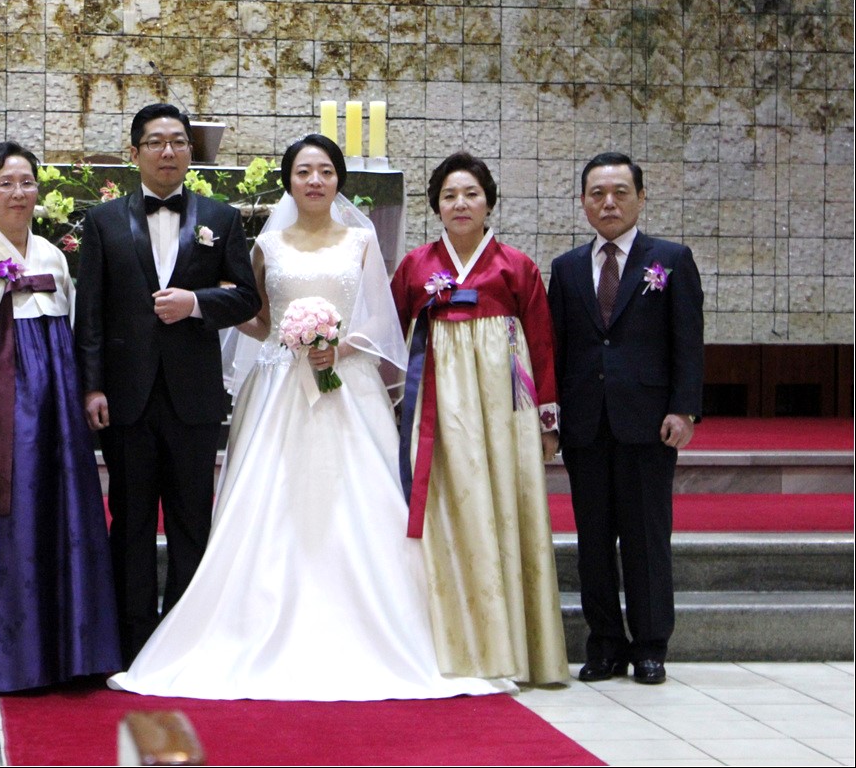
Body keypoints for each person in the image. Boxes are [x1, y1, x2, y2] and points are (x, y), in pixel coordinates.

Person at [108, 134, 513, 701]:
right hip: (278, 385)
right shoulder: (267, 246)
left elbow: (381, 322)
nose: (315, 181)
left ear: (339, 179)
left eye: (325, 170)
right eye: (303, 172)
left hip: (347, 386)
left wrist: (337, 347)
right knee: (267, 506)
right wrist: (256, 324)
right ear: (289, 182)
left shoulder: (361, 241)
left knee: (361, 507)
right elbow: (256, 317)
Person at [0, 142, 121, 693]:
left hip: (53, 412)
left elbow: (73, 333)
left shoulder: (54, 256)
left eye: (27, 182)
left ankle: (62, 656)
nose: (18, 193)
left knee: (56, 517)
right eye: (5, 183)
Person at [74, 103, 261, 665]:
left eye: (178, 141)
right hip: (125, 395)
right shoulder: (103, 220)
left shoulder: (220, 217)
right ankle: (132, 642)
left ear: (190, 152)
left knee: (190, 519)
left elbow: (248, 298)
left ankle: (184, 641)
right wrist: (92, 387)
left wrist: (196, 303)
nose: (168, 151)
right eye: (155, 142)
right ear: (134, 153)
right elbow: (91, 312)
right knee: (130, 520)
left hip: (193, 397)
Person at [390, 152, 568, 686]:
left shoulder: (517, 266)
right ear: (436, 208)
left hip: (502, 408)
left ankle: (511, 648)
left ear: (489, 202)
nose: (460, 204)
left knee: (507, 505)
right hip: (437, 409)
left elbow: (541, 344)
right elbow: (389, 336)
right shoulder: (415, 266)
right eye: (449, 196)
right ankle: (449, 642)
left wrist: (547, 419)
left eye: (471, 194)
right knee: (446, 511)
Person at [547, 152, 703, 685]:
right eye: (597, 193)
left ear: (640, 197)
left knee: (645, 538)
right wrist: (553, 417)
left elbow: (688, 340)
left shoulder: (671, 260)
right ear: (583, 202)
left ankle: (651, 645)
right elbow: (559, 347)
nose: (608, 202)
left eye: (620, 192)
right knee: (593, 540)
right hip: (586, 424)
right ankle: (605, 644)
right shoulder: (567, 268)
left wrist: (684, 408)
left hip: (648, 422)